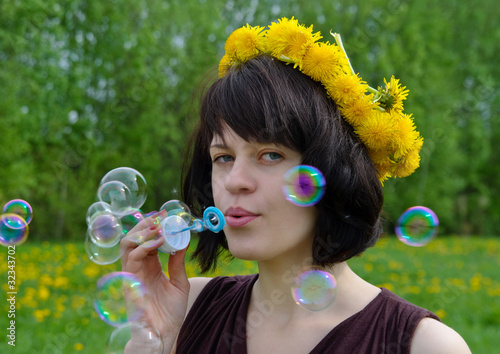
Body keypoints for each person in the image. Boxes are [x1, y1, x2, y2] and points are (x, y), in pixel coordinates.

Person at [120, 17, 470, 353]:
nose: (235, 182)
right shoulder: (187, 310)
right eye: (223, 157)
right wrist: (154, 343)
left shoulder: (424, 346)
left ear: (332, 171)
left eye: (270, 155)